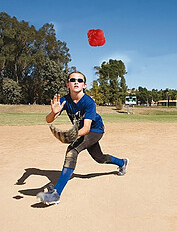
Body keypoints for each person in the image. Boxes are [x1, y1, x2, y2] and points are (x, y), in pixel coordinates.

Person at [37, 71, 129, 205]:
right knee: (99, 158)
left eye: (80, 80)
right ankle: (122, 162)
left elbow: (86, 128)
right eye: (73, 80)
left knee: (72, 151)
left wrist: (72, 136)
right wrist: (53, 112)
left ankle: (55, 194)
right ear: (68, 84)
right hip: (82, 131)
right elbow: (48, 120)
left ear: (84, 85)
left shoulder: (88, 102)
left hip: (95, 130)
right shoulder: (64, 100)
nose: (76, 82)